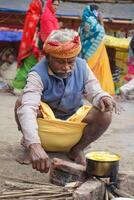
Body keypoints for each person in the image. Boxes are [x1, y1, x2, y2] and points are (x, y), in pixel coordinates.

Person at [15, 29, 119, 173]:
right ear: (48, 57)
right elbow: (28, 108)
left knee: (105, 112)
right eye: (60, 62)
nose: (66, 67)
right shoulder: (37, 74)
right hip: (46, 122)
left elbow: (94, 90)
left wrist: (102, 97)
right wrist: (34, 145)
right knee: (21, 104)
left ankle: (77, 149)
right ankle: (30, 146)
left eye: (71, 62)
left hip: (72, 120)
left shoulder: (82, 66)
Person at [79, 5, 115, 95]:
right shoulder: (89, 20)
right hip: (91, 50)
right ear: (92, 11)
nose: (98, 13)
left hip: (96, 49)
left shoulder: (91, 20)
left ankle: (96, 90)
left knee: (98, 68)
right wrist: (101, 20)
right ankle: (89, 90)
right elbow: (99, 31)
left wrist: (100, 21)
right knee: (90, 69)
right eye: (97, 11)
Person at [11, 0, 45, 93]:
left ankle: (17, 86)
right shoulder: (37, 18)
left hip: (26, 46)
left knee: (25, 67)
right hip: (32, 47)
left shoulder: (30, 16)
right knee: (28, 67)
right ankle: (18, 87)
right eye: (41, 6)